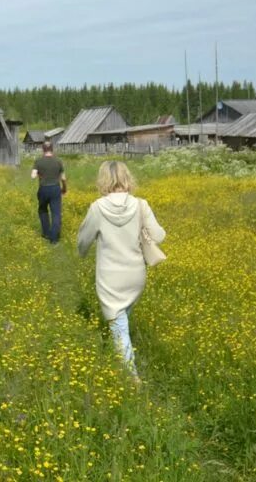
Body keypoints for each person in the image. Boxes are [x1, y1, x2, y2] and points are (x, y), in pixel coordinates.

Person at [77, 160, 165, 377]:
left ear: (103, 179)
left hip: (110, 278)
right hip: (136, 275)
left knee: (119, 329)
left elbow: (83, 242)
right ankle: (124, 363)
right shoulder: (141, 205)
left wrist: (81, 252)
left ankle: (131, 383)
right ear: (127, 178)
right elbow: (159, 236)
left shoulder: (97, 207)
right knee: (122, 319)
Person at [30, 140, 67, 243]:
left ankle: (46, 233)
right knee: (56, 213)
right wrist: (64, 189)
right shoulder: (58, 161)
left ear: (43, 150)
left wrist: (40, 175)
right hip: (55, 188)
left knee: (42, 210)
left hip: (43, 189)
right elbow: (63, 178)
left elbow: (33, 176)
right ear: (52, 149)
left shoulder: (38, 161)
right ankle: (54, 238)